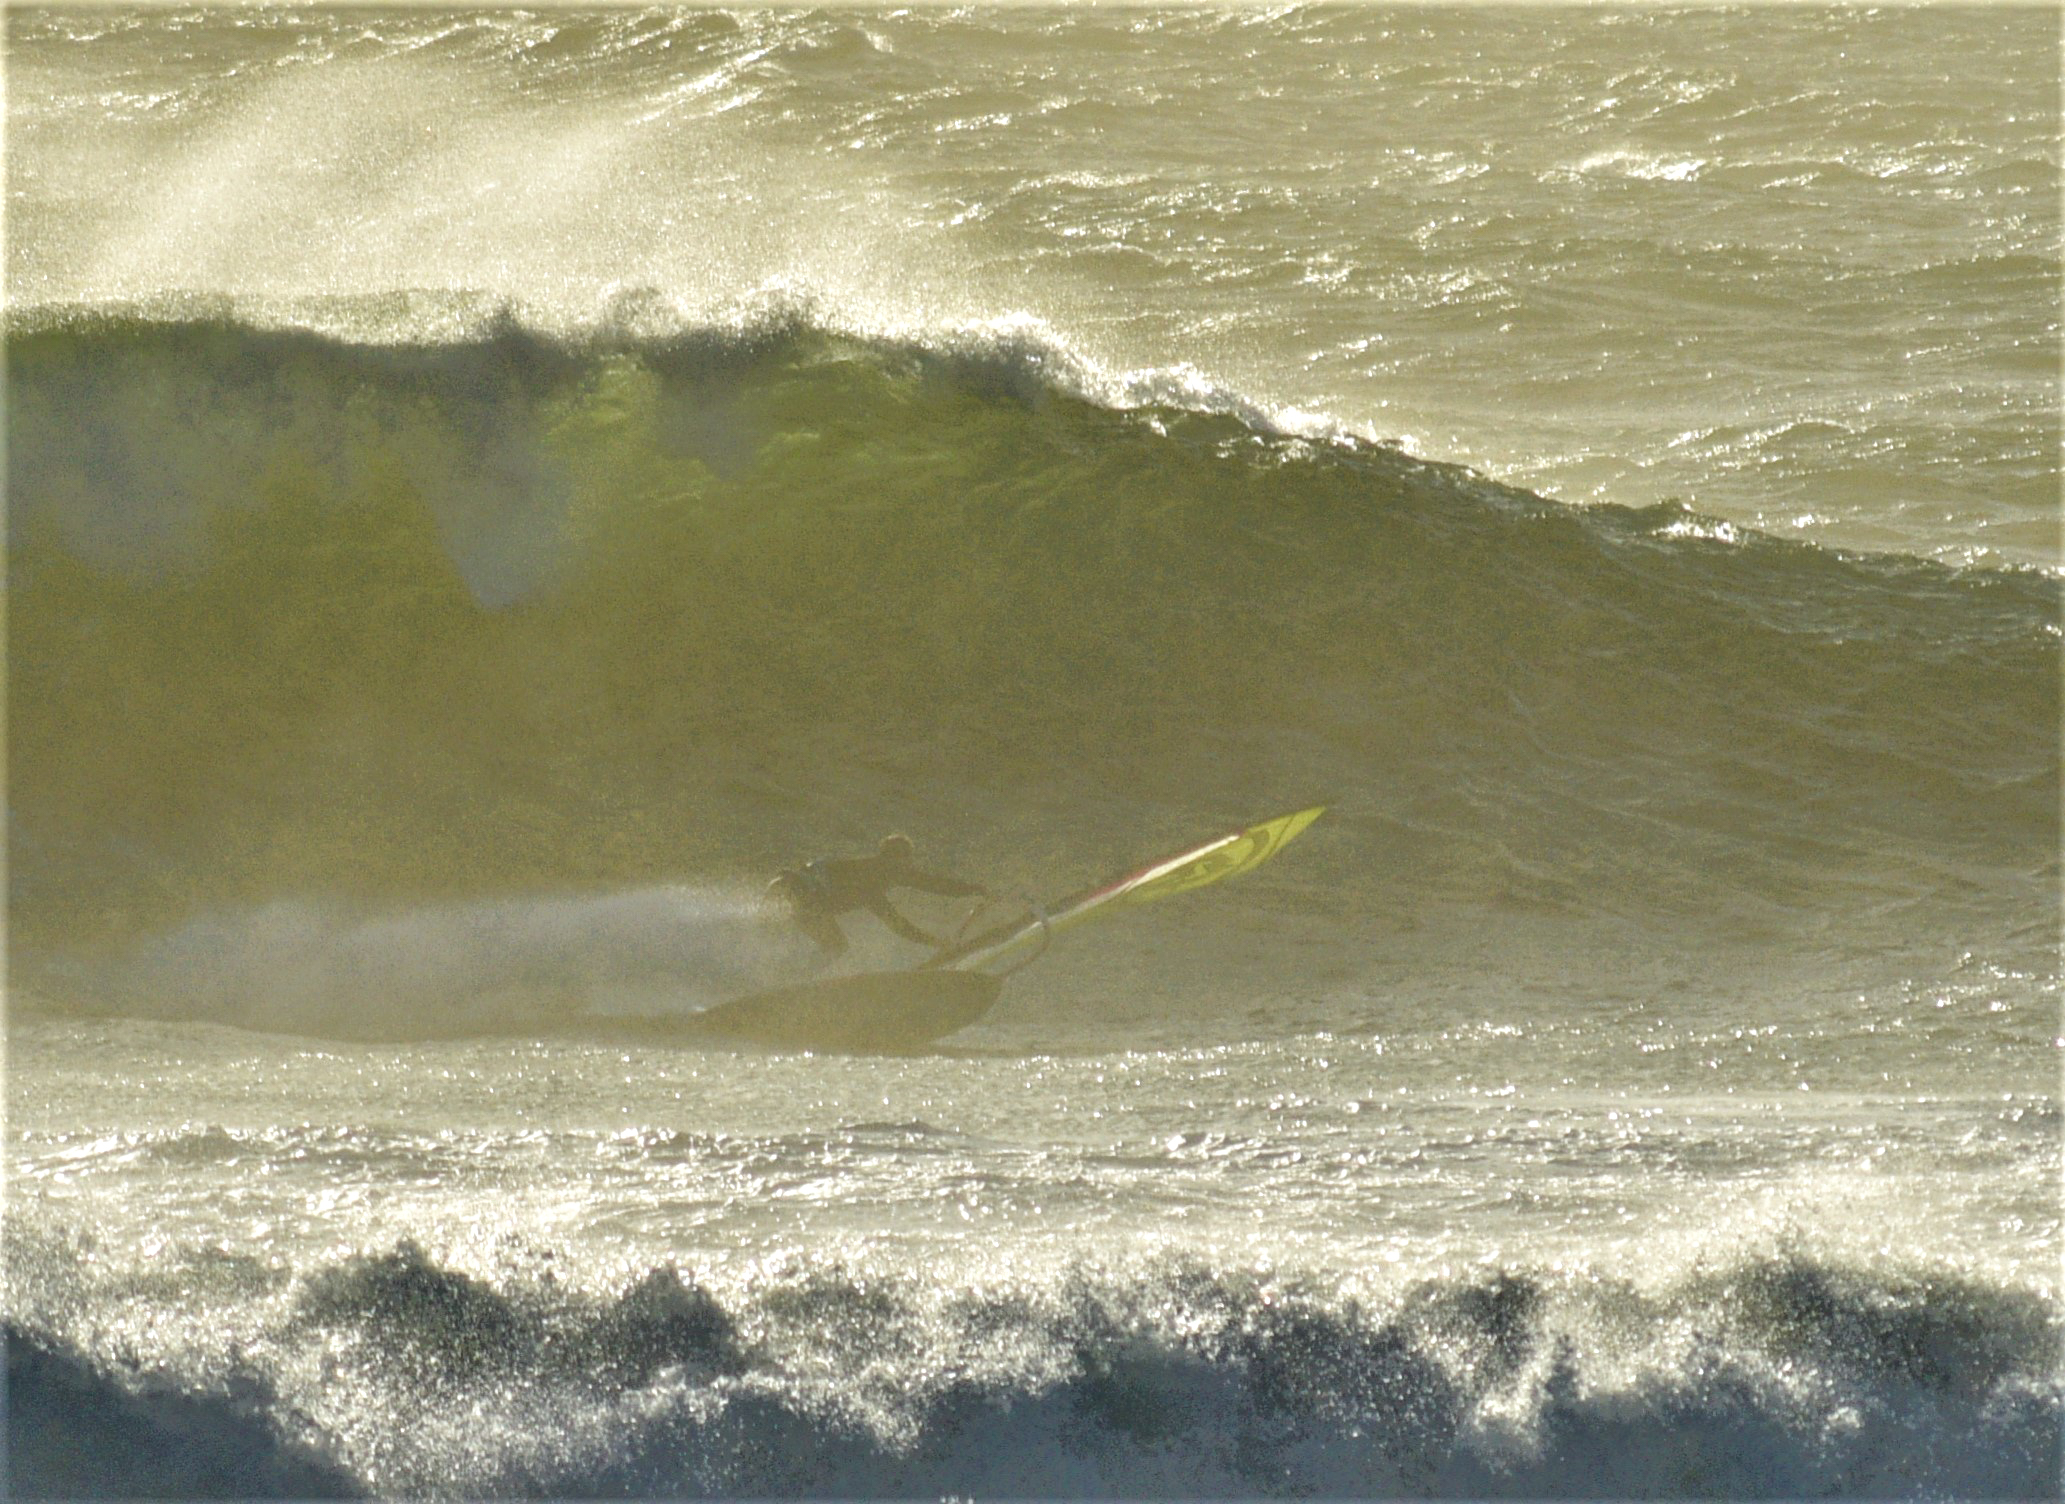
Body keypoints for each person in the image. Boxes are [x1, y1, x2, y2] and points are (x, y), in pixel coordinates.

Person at [768, 834, 991, 960]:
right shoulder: (870, 880)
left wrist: (973, 890)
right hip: (797, 892)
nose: (907, 868)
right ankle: (793, 979)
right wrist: (934, 942)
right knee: (836, 945)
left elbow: (930, 883)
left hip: (792, 890)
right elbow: (898, 925)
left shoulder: (880, 870)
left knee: (835, 946)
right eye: (903, 862)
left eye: (907, 862)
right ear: (891, 859)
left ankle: (790, 977)